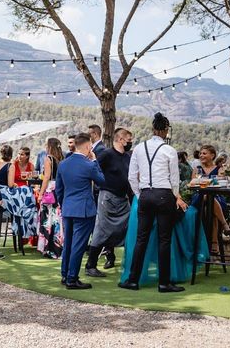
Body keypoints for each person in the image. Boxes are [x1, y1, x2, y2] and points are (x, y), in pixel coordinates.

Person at [118, 113, 187, 293]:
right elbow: (174, 180)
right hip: (164, 195)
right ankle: (164, 283)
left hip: (146, 195)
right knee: (164, 240)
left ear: (152, 129)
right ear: (165, 130)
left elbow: (132, 177)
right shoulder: (169, 151)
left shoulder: (139, 148)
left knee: (141, 239)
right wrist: (175, 196)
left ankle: (133, 280)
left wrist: (140, 195)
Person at [55, 133, 105, 289]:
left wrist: (64, 204)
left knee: (68, 244)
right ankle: (72, 279)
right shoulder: (89, 164)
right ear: (87, 146)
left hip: (68, 208)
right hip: (84, 210)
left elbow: (59, 189)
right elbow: (102, 180)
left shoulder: (63, 164)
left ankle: (65, 275)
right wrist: (95, 160)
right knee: (78, 245)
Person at [85, 128, 134, 277]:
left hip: (123, 199)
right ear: (120, 139)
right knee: (101, 230)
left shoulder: (127, 157)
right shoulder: (107, 154)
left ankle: (129, 263)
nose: (130, 142)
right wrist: (99, 186)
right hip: (107, 198)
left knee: (129, 228)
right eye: (129, 139)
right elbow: (93, 170)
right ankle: (90, 265)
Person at [190, 144, 230, 250]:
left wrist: (222, 176)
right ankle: (224, 225)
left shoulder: (219, 169)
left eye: (204, 153)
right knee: (206, 197)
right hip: (199, 198)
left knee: (210, 205)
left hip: (216, 198)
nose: (201, 155)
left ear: (212, 155)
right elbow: (192, 184)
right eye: (200, 153)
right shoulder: (197, 169)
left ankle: (212, 244)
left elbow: (221, 183)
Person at [2, 146, 38, 242]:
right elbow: (9, 180)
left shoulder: (31, 166)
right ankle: (21, 232)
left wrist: (32, 180)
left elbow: (35, 180)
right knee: (25, 205)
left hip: (27, 190)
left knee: (35, 202)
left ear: (27, 156)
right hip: (15, 190)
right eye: (19, 153)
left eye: (22, 154)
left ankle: (32, 234)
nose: (19, 156)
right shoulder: (14, 164)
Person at [37, 138, 64, 259]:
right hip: (59, 189)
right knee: (57, 219)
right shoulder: (62, 159)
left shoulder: (48, 159)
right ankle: (58, 246)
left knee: (48, 220)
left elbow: (46, 177)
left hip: (50, 191)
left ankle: (49, 248)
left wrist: (41, 193)